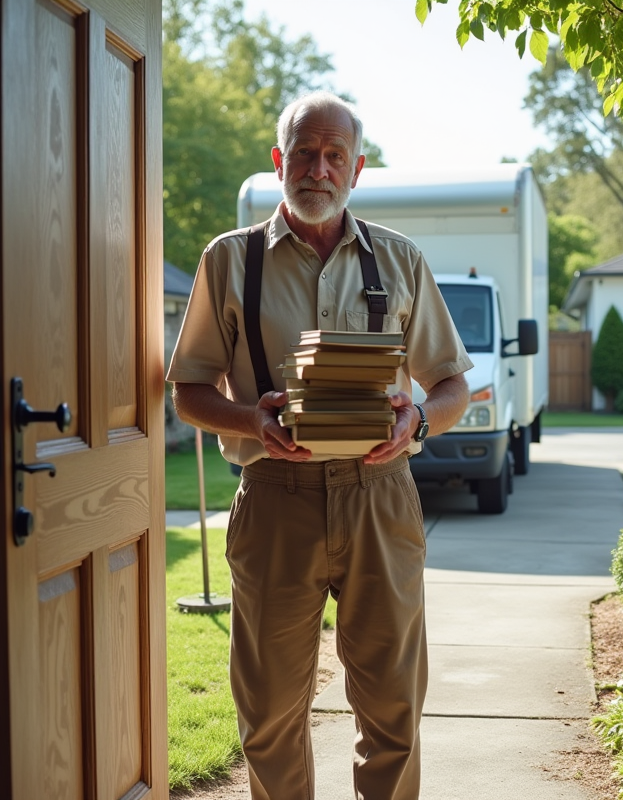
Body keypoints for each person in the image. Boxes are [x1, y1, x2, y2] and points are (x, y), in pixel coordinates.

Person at [167, 90, 471, 800]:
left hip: (380, 502)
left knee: (393, 711)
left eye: (335, 155)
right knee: (270, 714)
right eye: (304, 151)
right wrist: (252, 421)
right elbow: (188, 390)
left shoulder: (399, 261)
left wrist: (418, 421)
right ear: (279, 161)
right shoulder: (229, 260)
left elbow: (452, 383)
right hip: (276, 502)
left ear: (356, 170)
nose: (318, 167)